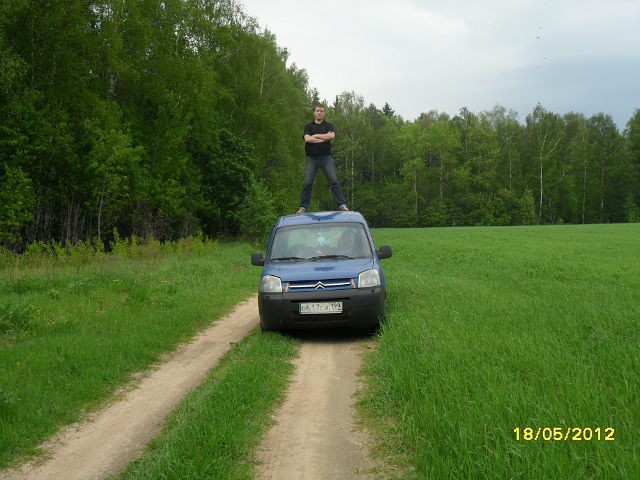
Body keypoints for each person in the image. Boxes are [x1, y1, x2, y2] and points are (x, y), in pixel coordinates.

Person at [296, 104, 349, 214]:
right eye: (317, 111)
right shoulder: (308, 126)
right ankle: (303, 207)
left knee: (334, 180)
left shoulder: (329, 126)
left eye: (321, 111)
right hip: (311, 158)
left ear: (324, 113)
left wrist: (315, 136)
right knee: (307, 182)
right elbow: (307, 139)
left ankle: (342, 205)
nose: (319, 112)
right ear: (314, 113)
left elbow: (331, 136)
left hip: (326, 158)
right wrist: (324, 138)